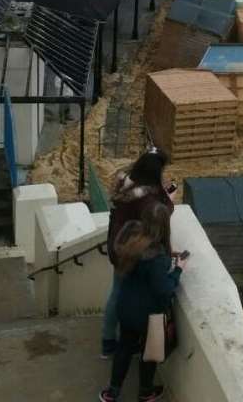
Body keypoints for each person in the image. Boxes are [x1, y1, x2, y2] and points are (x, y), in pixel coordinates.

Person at [99, 203, 187, 402]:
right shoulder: (156, 258)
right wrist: (178, 269)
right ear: (165, 226)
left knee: (124, 347)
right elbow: (164, 290)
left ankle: (112, 392)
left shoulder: (131, 241)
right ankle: (145, 392)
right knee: (149, 354)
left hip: (125, 307)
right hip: (147, 315)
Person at [102, 150, 174, 358]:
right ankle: (113, 345)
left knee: (117, 293)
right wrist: (168, 199)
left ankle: (108, 341)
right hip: (132, 249)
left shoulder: (126, 183)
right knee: (121, 295)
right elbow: (160, 214)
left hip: (118, 243)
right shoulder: (146, 199)